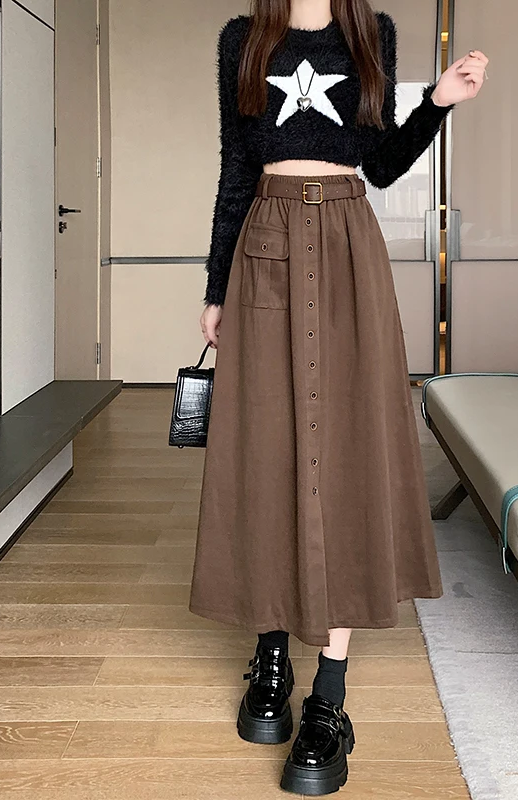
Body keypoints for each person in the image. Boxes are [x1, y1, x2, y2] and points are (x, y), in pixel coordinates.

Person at [191, 0, 488, 794]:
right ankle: (271, 652)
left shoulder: (371, 33)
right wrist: (216, 286)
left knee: (349, 448)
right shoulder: (242, 39)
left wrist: (436, 104)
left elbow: (380, 165)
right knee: (266, 448)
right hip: (264, 245)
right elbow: (235, 167)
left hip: (350, 247)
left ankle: (330, 689)